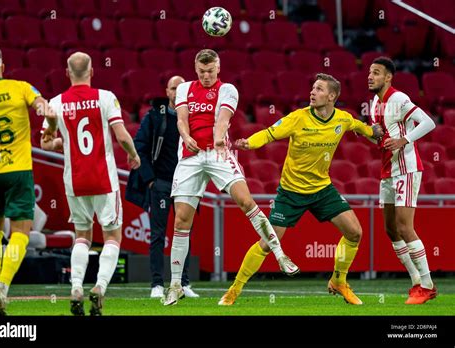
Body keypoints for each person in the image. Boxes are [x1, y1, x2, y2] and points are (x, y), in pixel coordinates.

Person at [219, 73, 384, 306]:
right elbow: (269, 133)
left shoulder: (342, 119)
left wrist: (373, 131)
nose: (312, 92)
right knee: (268, 242)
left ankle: (339, 281)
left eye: (318, 89)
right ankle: (233, 291)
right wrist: (250, 143)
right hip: (290, 192)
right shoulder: (298, 118)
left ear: (332, 96)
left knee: (355, 232)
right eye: (312, 88)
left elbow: (360, 127)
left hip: (322, 189)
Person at [164, 49, 299, 306]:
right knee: (181, 220)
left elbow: (222, 120)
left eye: (210, 71)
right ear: (195, 69)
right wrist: (186, 136)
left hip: (218, 154)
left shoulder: (228, 89)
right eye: (202, 71)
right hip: (190, 157)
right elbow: (181, 120)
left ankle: (281, 255)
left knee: (246, 202)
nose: (206, 76)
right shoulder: (183, 89)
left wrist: (217, 141)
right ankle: (175, 285)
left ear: (218, 68)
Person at [41, 52, 141, 315]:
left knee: (82, 236)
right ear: (92, 71)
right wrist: (133, 154)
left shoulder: (56, 103)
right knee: (112, 237)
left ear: (67, 73)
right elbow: (121, 135)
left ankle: (75, 288)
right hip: (103, 179)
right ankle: (99, 288)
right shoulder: (106, 97)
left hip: (74, 181)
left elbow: (45, 143)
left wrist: (63, 140)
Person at [0, 45, 56, 316]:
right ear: (2, 65)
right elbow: (46, 110)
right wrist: (49, 125)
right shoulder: (20, 87)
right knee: (21, 233)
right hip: (19, 170)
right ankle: (2, 286)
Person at [367, 57, 437, 304]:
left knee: (405, 227)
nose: (370, 76)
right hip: (387, 170)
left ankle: (427, 285)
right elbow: (382, 135)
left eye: (376, 73)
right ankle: (416, 281)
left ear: (388, 77)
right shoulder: (375, 102)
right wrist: (370, 133)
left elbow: (429, 122)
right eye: (369, 72)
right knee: (391, 229)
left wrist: (404, 140)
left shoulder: (398, 98)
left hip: (406, 168)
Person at [126, 76, 199, 299]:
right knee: (158, 235)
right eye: (174, 88)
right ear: (167, 92)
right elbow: (139, 146)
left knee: (184, 234)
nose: (177, 92)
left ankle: (183, 283)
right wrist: (150, 180)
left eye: (181, 88)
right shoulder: (154, 116)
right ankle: (157, 284)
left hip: (185, 183)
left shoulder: (193, 118)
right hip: (161, 183)